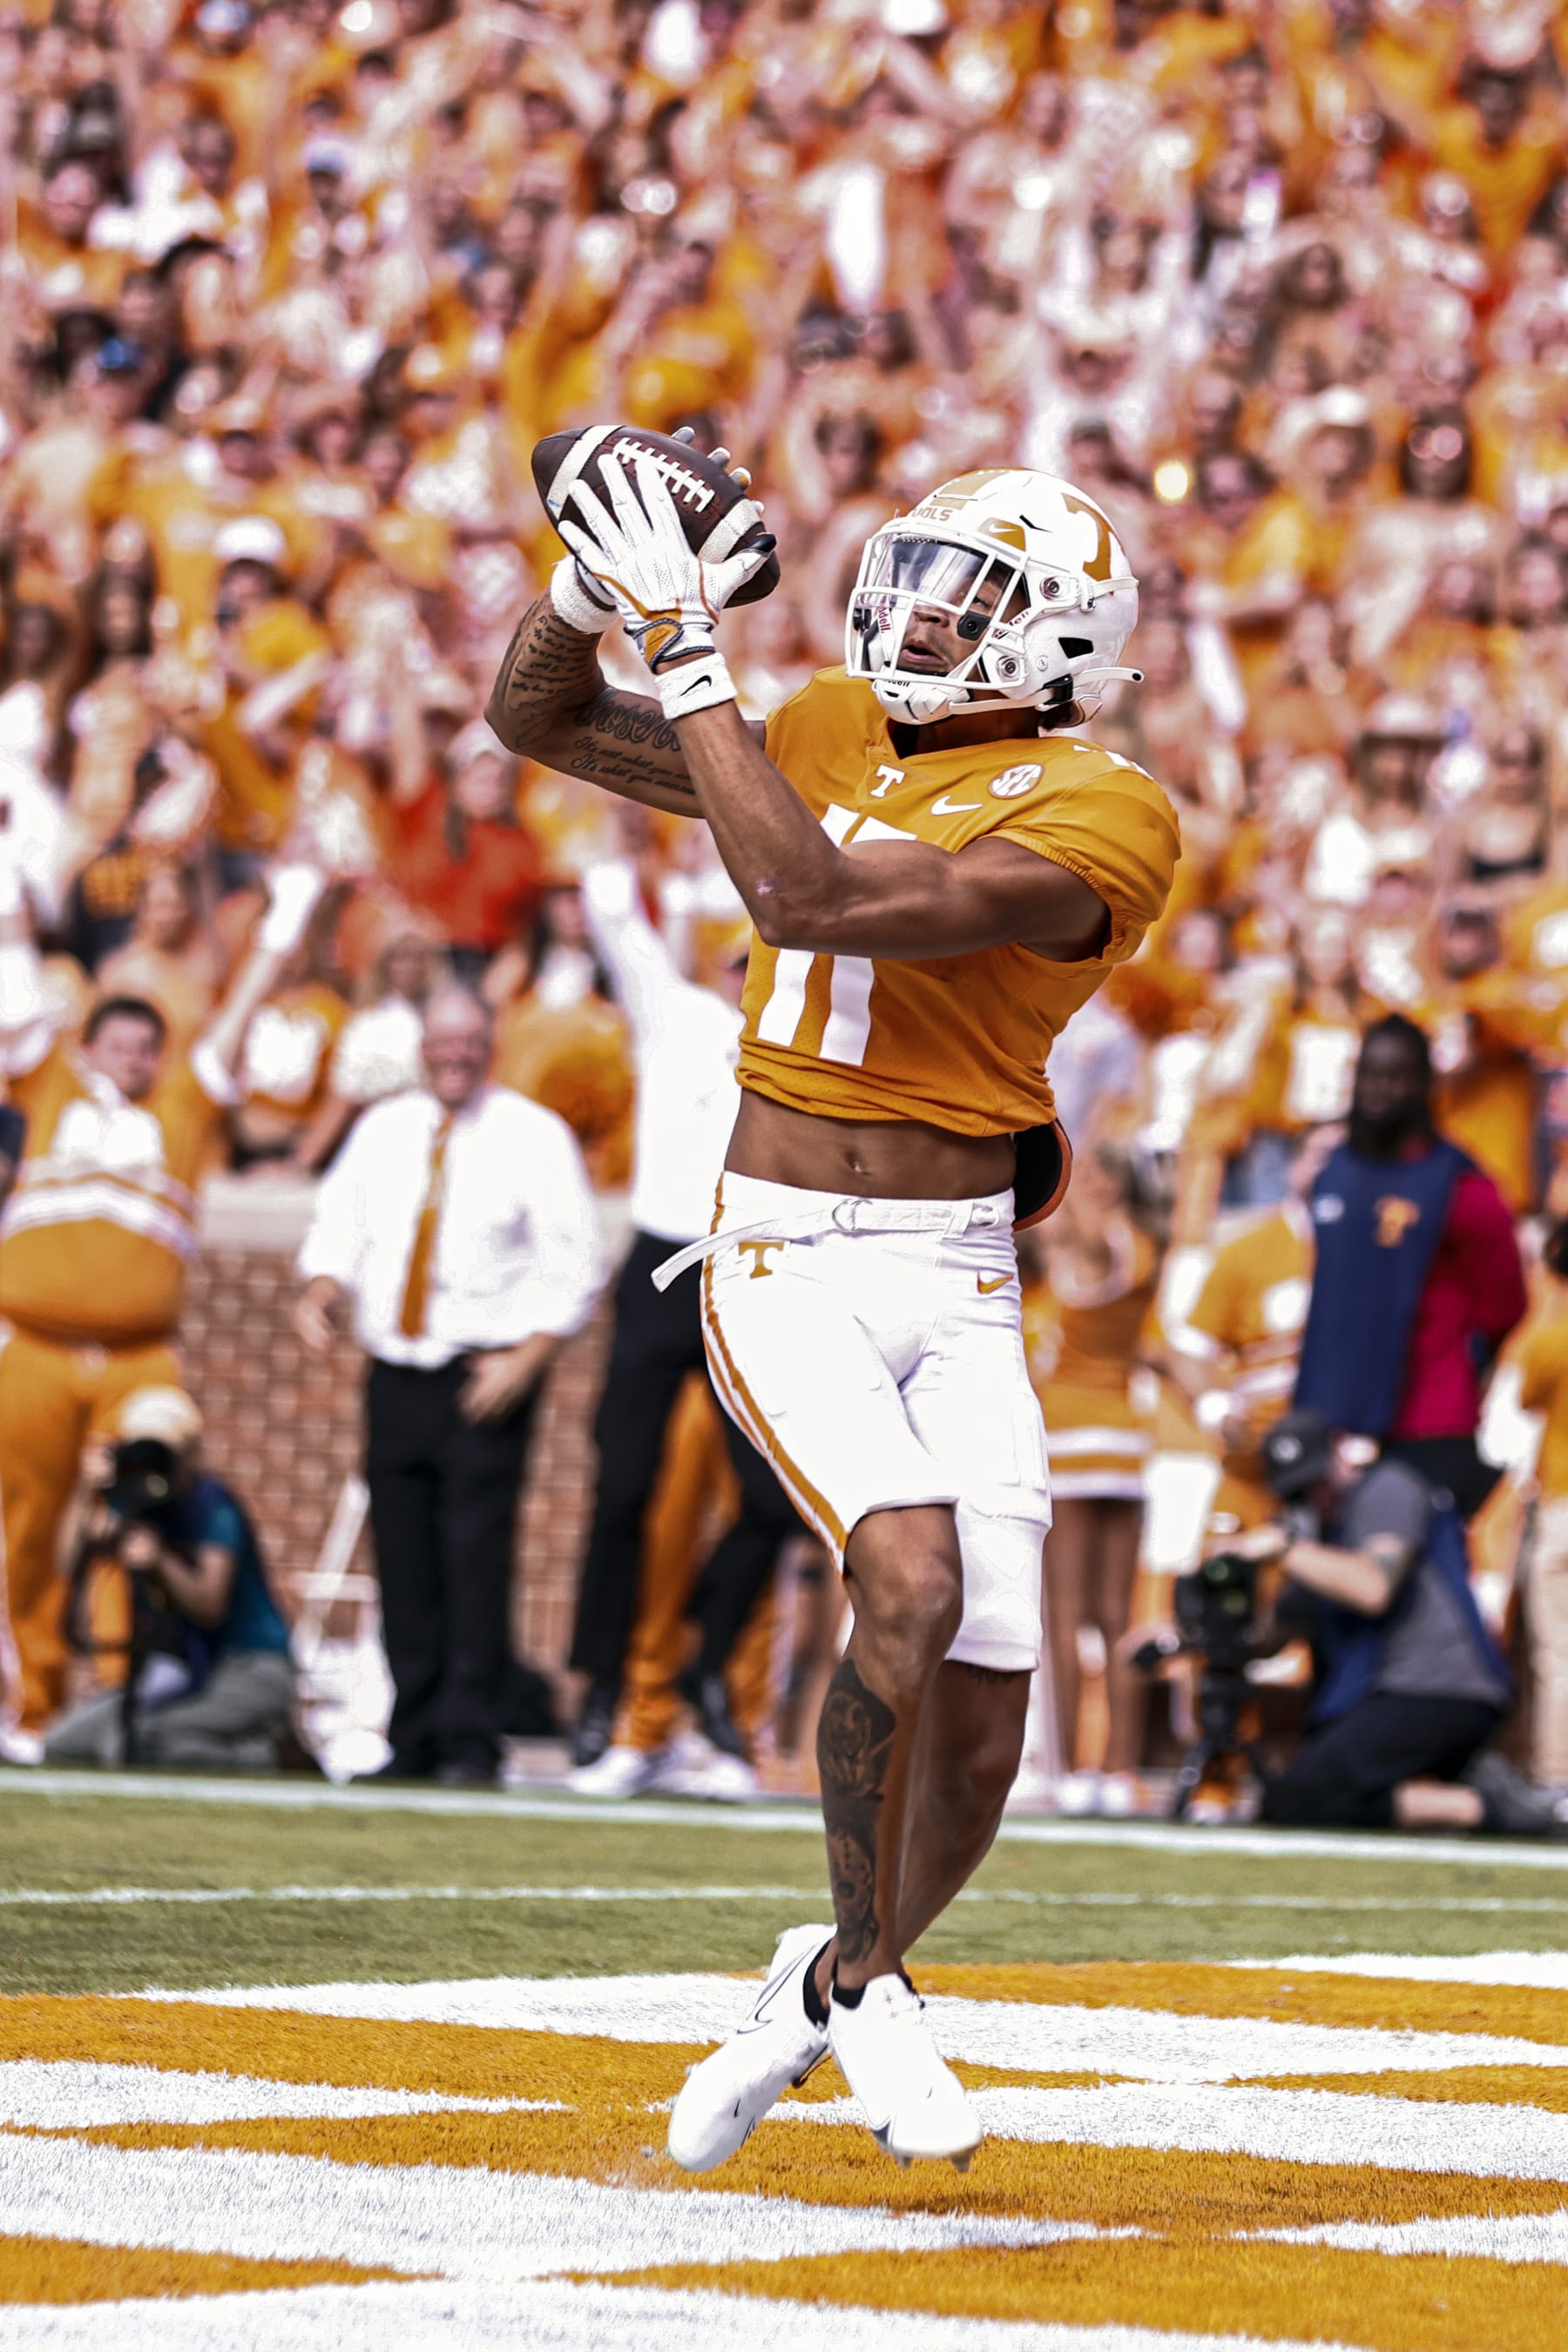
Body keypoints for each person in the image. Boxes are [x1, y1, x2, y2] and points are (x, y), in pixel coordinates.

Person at [488, 452, 1177, 2169]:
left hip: (955, 1279)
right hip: (783, 1248)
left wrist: (697, 660)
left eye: (980, 597)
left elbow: (815, 898)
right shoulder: (812, 724)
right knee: (912, 1578)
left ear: (1068, 647)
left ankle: (825, 1977)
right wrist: (593, 588)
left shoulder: (1107, 810)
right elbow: (538, 718)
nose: (926, 613)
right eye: (921, 574)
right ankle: (873, 1994)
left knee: (994, 1721)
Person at [0, 852, 324, 1745]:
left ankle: (118, 1695)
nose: (135, 1056)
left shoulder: (184, 1104)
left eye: (148, 1044)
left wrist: (289, 914)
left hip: (140, 1354)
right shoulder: (50, 1085)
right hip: (31, 1344)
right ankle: (35, 1706)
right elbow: (15, 971)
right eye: (120, 1042)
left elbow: (239, 1013)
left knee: (136, 1501)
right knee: (29, 1530)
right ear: (89, 1044)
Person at [294, 984, 603, 1786]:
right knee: (403, 1556)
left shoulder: (534, 1135)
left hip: (485, 1375)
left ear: (491, 1044)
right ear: (422, 1047)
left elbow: (573, 1262)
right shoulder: (382, 1129)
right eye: (442, 1041)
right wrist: (323, 1287)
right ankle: (416, 1731)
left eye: (470, 1041)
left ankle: (471, 1737)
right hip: (396, 1370)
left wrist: (526, 1360)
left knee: (474, 1556)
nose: (455, 1055)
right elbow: (340, 1223)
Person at [566, 848, 803, 1785]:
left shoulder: (806, 1041)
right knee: (620, 1489)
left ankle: (700, 1657)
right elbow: (609, 905)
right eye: (745, 961)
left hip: (747, 1268)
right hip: (664, 1261)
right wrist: (627, 811)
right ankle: (599, 1686)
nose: (754, 976)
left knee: (773, 1498)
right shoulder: (678, 1016)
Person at [1233, 1409, 1553, 1839]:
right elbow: (1274, 1636)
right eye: (1300, 1491)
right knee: (1299, 1797)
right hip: (1386, 1694)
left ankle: (1490, 1808)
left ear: (1341, 1452)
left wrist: (1285, 1549)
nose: (1316, 1496)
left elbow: (1372, 1588)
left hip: (1443, 1688)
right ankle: (1470, 1787)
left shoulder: (1386, 1487)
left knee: (1302, 1797)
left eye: (1318, 1480)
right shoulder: (1318, 1537)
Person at [1294, 1015, 1527, 1518]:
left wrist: (1458, 1365)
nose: (1380, 1089)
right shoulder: (1328, 1169)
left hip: (1426, 1423)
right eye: (1370, 1074)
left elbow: (1505, 1304)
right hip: (1329, 1417)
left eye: (1396, 1075)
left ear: (1423, 1084)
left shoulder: (1461, 1185)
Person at [44, 1387, 294, 1770]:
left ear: (191, 1454)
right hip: (178, 1670)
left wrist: (159, 1558)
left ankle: (268, 1755)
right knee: (66, 1744)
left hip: (247, 1666)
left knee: (139, 1743)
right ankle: (237, 1744)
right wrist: (86, 1488)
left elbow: (210, 1605)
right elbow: (67, 1562)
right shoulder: (130, 1503)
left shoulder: (213, 1507)